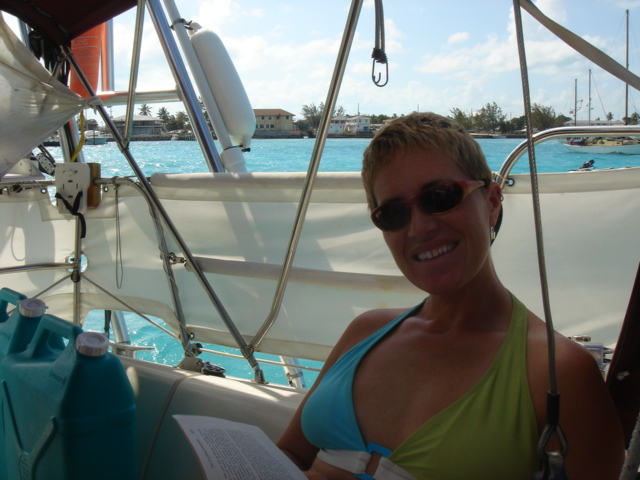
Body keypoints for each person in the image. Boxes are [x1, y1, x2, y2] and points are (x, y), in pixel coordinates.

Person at [277, 112, 624, 479]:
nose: (420, 228)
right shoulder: (366, 331)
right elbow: (290, 454)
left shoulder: (556, 372)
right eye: (393, 213)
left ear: (492, 203)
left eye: (440, 197)